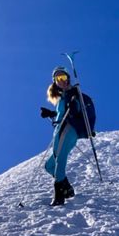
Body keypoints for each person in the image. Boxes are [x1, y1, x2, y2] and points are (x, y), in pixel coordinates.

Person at [40, 66, 80, 206]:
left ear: (68, 78)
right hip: (59, 130)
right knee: (49, 165)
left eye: (63, 77)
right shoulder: (61, 97)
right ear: (55, 82)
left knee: (60, 160)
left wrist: (74, 103)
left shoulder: (72, 92)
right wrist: (51, 114)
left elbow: (76, 109)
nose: (61, 80)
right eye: (58, 78)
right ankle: (67, 189)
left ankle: (59, 196)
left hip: (68, 130)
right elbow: (61, 114)